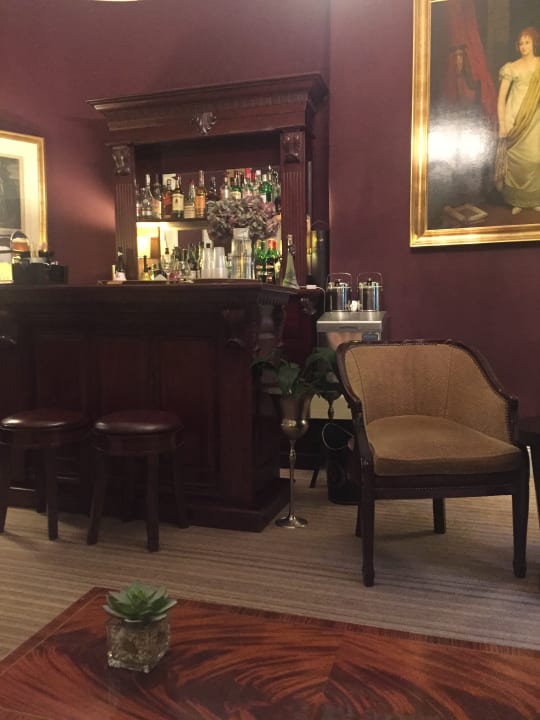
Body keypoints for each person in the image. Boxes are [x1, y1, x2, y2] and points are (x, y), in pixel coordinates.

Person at [496, 26, 540, 215]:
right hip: (514, 119)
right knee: (515, 161)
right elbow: (501, 98)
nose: (523, 46)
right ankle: (517, 201)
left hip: (535, 119)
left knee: (535, 159)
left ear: (534, 43)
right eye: (521, 43)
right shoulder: (511, 67)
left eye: (527, 42)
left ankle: (534, 199)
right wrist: (502, 124)